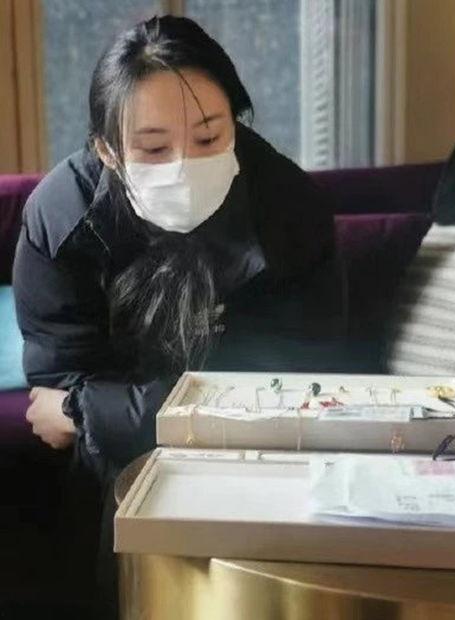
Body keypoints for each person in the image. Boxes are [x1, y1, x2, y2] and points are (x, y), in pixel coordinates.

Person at [13, 13, 342, 618]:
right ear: (108, 151)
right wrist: (95, 413)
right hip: (117, 463)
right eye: (154, 148)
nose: (185, 165)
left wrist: (96, 412)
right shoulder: (62, 218)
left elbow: (289, 392)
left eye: (210, 137)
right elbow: (60, 386)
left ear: (235, 122)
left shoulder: (286, 206)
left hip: (265, 459)